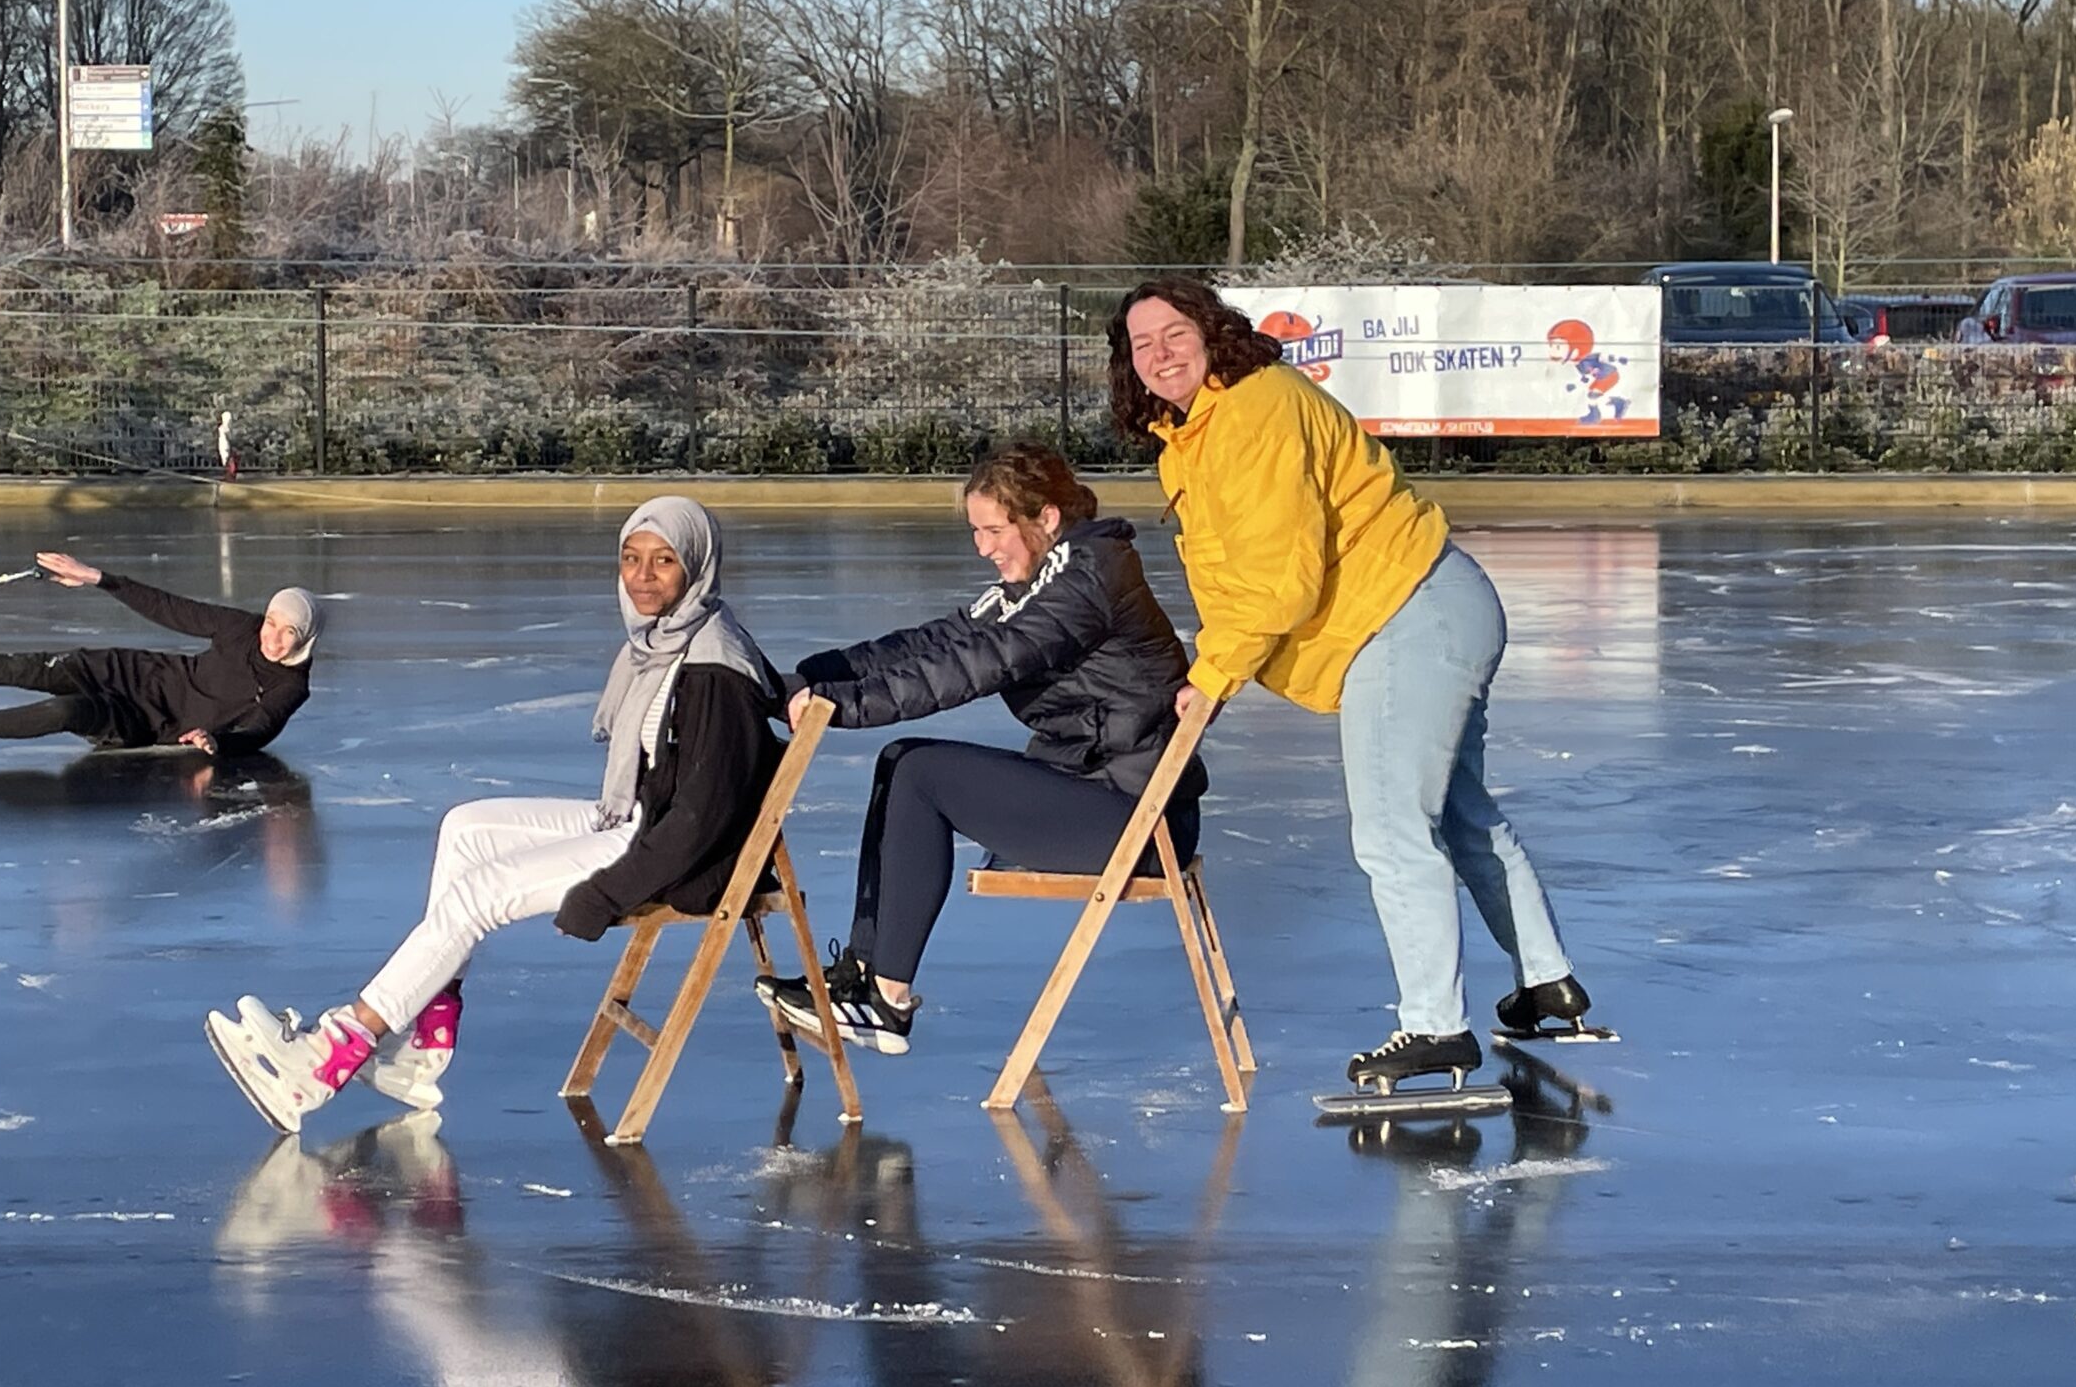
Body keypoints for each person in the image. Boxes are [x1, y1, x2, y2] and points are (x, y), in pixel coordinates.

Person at [1107, 276, 1597, 1097]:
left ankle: (1437, 1027)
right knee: (1460, 811)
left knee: (1393, 829)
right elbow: (1243, 574)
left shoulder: (1254, 412)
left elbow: (1281, 577)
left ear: (1211, 331)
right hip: (1427, 605)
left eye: (1173, 334)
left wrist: (1215, 673)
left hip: (1403, 615)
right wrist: (1218, 663)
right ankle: (1547, 980)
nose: (1158, 354)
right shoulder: (1199, 433)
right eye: (1140, 344)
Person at [204, 496, 780, 1133]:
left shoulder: (714, 667)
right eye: (630, 559)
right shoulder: (668, 641)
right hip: (637, 818)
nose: (641, 576)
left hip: (677, 855)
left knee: (481, 894)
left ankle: (327, 1059)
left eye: (663, 562)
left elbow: (702, 818)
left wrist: (604, 894)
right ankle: (426, 1042)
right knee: (466, 829)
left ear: (696, 567)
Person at [756, 442, 1203, 1055]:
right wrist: (813, 676)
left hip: (1137, 818)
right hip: (1100, 792)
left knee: (922, 772)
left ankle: (886, 1002)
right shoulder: (1045, 579)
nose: (984, 547)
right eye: (976, 531)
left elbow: (987, 660)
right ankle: (860, 977)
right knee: (901, 761)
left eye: (995, 529)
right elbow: (938, 640)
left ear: (1044, 518)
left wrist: (847, 706)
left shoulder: (1089, 579)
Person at [0, 552, 317, 757]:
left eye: (287, 632)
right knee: (26, 667)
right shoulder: (242, 628)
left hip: (147, 720)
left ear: (305, 638)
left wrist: (220, 743)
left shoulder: (290, 686)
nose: (271, 638)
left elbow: (262, 728)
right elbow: (172, 609)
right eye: (272, 622)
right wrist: (99, 579)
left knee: (64, 711)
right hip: (136, 672)